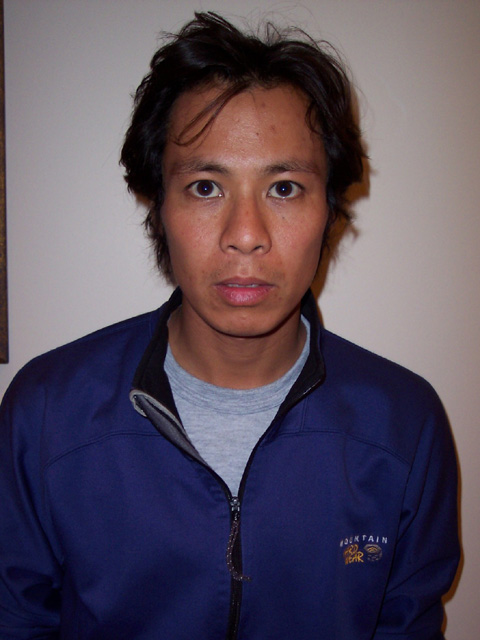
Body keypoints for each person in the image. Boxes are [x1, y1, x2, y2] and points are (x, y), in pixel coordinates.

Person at [0, 12, 459, 639]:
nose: (246, 235)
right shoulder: (47, 411)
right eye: (206, 187)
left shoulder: (404, 423)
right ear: (158, 206)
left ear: (330, 209)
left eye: (285, 188)